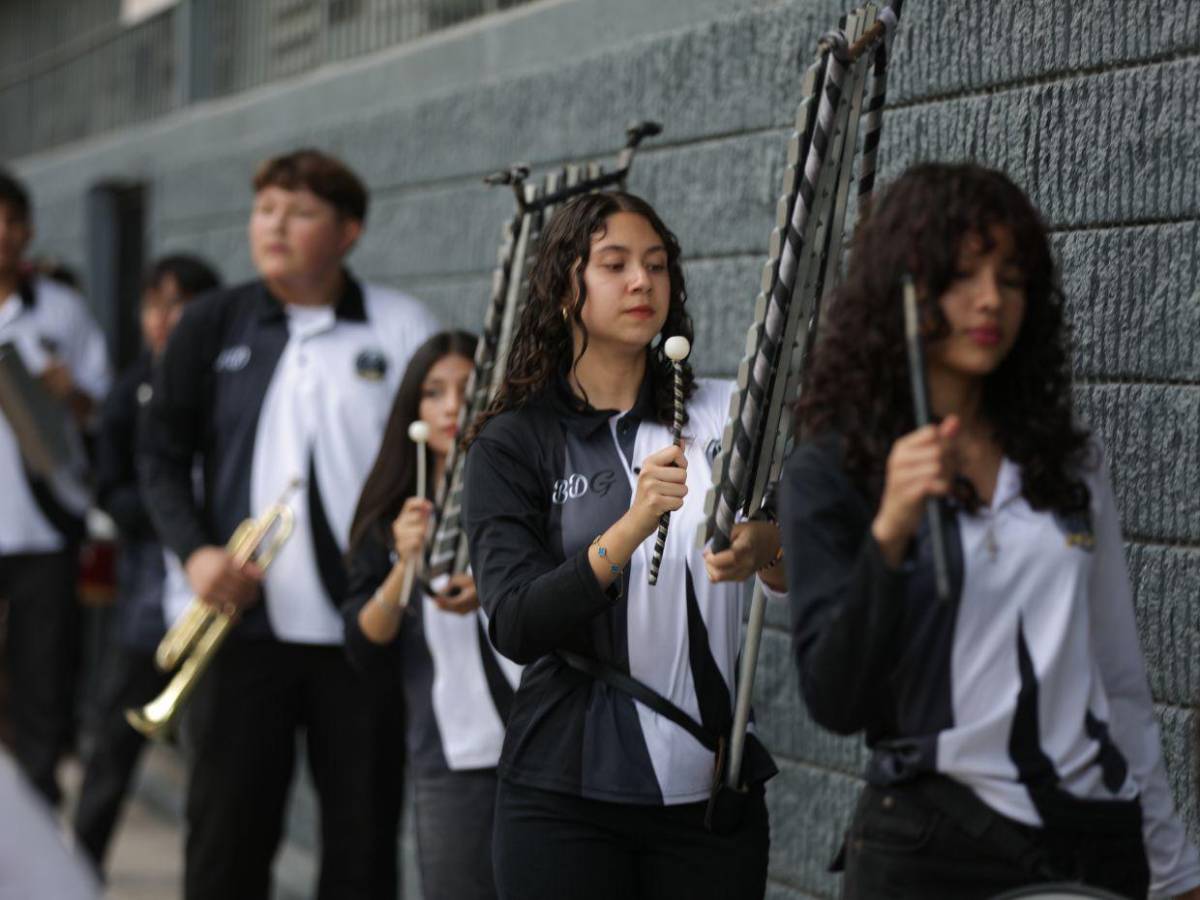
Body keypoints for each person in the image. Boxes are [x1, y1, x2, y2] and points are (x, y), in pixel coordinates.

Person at [778, 162, 1200, 899]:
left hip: (1091, 845)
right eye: (963, 274)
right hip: (930, 849)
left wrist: (1172, 864)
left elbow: (1117, 674)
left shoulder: (1064, 461)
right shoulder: (833, 471)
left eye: (1010, 277)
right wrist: (892, 530)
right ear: (902, 294)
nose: (989, 300)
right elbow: (834, 698)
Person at [462, 191, 786, 900]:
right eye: (614, 264)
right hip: (563, 792)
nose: (643, 282)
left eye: (657, 264)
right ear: (563, 289)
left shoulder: (730, 411)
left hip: (711, 789)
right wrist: (634, 524)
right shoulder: (513, 441)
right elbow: (516, 623)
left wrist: (767, 545)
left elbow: (798, 566)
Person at [139, 149, 439, 900]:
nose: (275, 226)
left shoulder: (402, 328)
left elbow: (445, 457)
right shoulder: (212, 322)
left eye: (300, 212)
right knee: (225, 845)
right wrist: (197, 554)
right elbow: (159, 455)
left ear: (348, 232)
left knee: (363, 848)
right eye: (266, 209)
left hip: (363, 636)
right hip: (238, 631)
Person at [342, 329, 521, 900]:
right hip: (453, 752)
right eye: (433, 392)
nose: (451, 407)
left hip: (545, 744)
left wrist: (492, 588)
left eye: (467, 389)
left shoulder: (529, 483)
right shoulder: (394, 514)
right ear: (411, 409)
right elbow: (365, 643)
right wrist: (405, 563)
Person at [73, 254, 221, 873]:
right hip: (146, 594)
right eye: (154, 305)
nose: (165, 319)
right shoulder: (129, 388)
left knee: (216, 765)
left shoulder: (227, 381)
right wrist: (172, 513)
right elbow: (107, 487)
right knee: (112, 744)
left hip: (218, 600)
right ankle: (76, 871)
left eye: (180, 304)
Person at [0, 168, 111, 806]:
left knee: (43, 687)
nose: (3, 234)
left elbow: (102, 405)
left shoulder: (61, 311)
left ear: (30, 230)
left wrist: (72, 397)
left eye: (13, 220)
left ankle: (39, 826)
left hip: (45, 527)